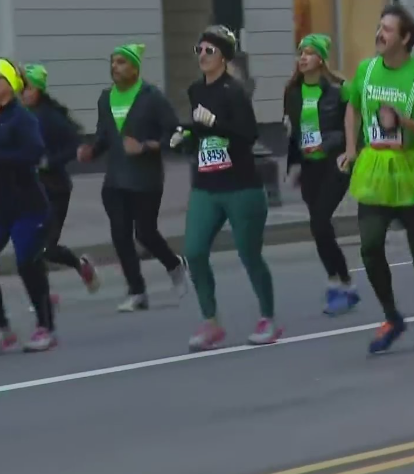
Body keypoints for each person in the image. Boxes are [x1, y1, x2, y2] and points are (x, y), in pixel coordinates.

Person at [341, 4, 414, 353]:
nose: (379, 34)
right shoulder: (367, 70)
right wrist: (350, 148)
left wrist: (404, 121)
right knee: (370, 247)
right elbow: (353, 106)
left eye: (387, 29)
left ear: (405, 38)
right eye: (379, 26)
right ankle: (392, 316)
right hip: (375, 170)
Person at [171, 25, 282, 351]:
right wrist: (186, 139)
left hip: (240, 186)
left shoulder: (234, 92)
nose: (203, 56)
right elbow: (203, 135)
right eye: (199, 50)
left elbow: (247, 135)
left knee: (249, 254)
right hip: (207, 184)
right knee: (193, 250)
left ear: (223, 57)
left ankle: (268, 318)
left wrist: (213, 124)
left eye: (210, 51)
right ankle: (211, 322)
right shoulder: (195, 91)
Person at [77, 43, 190, 312]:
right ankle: (137, 291)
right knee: (120, 235)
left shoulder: (152, 97)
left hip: (146, 178)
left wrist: (147, 146)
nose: (115, 67)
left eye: (122, 62)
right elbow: (105, 136)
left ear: (135, 68)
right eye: (113, 62)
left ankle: (174, 265)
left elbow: (178, 135)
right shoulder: (106, 98)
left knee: (146, 233)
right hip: (115, 180)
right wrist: (91, 151)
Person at [0, 58, 57, 355]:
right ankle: (2, 327)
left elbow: (32, 155)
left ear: (10, 84)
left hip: (24, 204)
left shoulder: (23, 119)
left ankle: (46, 327)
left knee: (27, 264)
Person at [284, 33, 360, 316]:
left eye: (309, 53)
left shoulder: (339, 90)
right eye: (300, 53)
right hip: (309, 167)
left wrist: (329, 146)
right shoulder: (292, 92)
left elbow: (349, 129)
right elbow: (293, 132)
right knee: (320, 228)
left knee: (319, 221)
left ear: (321, 59)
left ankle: (338, 282)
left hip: (334, 164)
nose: (302, 58)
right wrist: (292, 165)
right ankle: (343, 281)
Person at [21, 64, 99, 293]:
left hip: (55, 191)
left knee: (46, 248)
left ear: (38, 89)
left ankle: (81, 266)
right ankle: (43, 295)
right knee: (30, 246)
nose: (23, 93)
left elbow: (75, 144)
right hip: (31, 191)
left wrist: (49, 162)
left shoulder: (51, 116)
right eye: (21, 88)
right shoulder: (21, 115)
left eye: (28, 88)